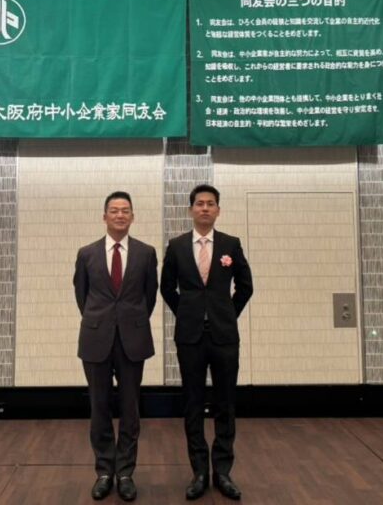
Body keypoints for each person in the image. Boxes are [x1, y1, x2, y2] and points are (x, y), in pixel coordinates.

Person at [161, 184, 253, 501]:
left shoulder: (231, 244)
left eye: (210, 203)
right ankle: (199, 471)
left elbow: (246, 286)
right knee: (193, 404)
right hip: (190, 337)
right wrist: (188, 313)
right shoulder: (177, 246)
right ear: (191, 210)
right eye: (199, 203)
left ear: (218, 210)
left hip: (224, 336)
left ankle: (223, 471)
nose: (204, 208)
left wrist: (226, 313)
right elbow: (166, 288)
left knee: (226, 403)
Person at [74, 191, 158, 502]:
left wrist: (129, 321)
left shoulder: (146, 253)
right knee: (99, 407)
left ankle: (125, 473)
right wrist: (102, 321)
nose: (120, 215)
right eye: (114, 210)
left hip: (132, 340)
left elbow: (150, 296)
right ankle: (104, 472)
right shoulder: (87, 253)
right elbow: (82, 296)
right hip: (96, 338)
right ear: (104, 216)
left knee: (130, 409)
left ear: (132, 216)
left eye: (125, 210)